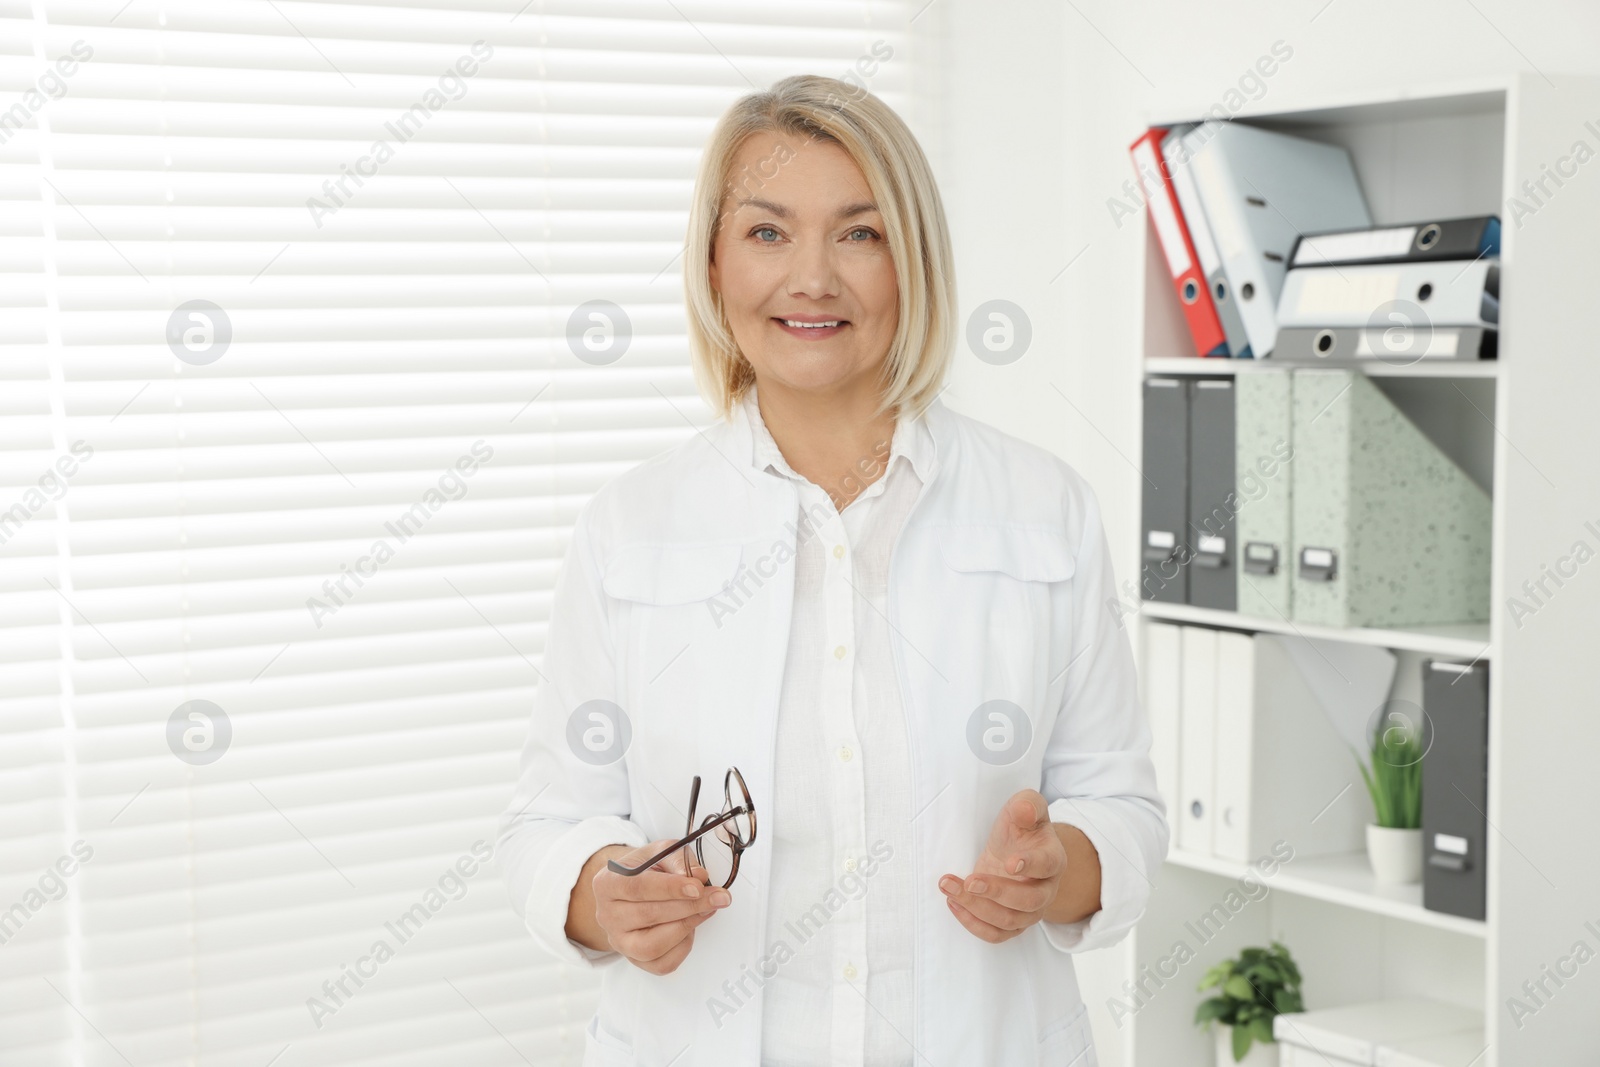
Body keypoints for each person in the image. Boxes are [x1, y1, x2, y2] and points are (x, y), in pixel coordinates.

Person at [498, 73, 1167, 1067]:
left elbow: (1123, 806)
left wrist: (1062, 866)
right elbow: (548, 819)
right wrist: (603, 892)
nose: (810, 278)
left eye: (859, 233)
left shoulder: (1044, 509)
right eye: (768, 232)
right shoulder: (629, 528)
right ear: (715, 260)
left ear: (914, 261)